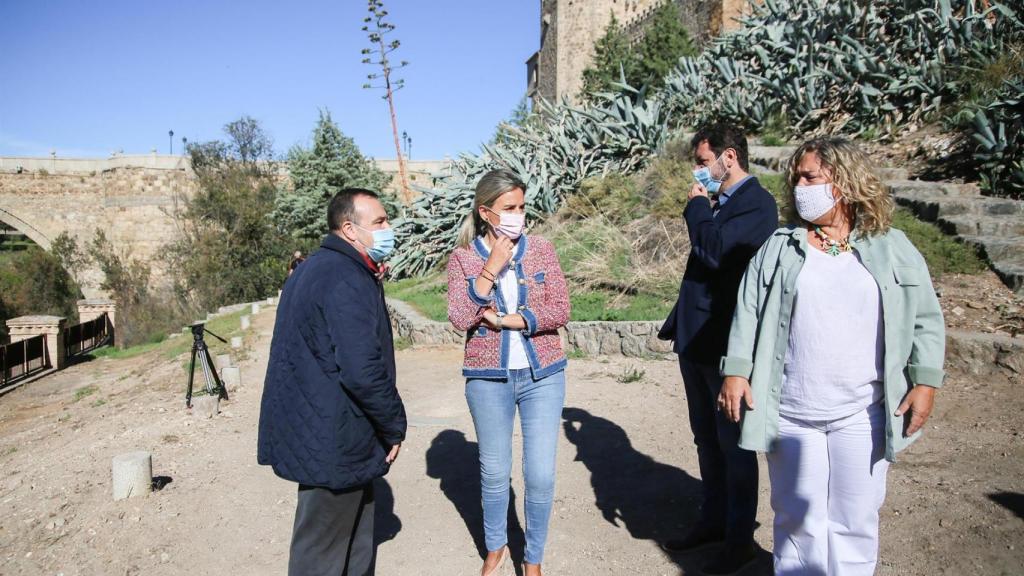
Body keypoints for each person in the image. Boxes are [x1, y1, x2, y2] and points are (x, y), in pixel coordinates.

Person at [718, 138, 945, 575]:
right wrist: (736, 372)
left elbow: (926, 319)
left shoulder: (892, 246)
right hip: (792, 413)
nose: (800, 186)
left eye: (810, 177)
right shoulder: (782, 247)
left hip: (862, 413)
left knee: (855, 522)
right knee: (796, 521)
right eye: (797, 178)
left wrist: (926, 381)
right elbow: (748, 308)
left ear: (844, 181)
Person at [257, 188, 407, 576]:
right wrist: (393, 425)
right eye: (379, 222)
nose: (388, 228)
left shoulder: (321, 268)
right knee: (321, 555)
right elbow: (361, 368)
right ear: (349, 229)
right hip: (334, 437)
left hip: (328, 433)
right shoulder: (344, 277)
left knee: (353, 547)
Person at [658, 123, 779, 574]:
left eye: (703, 160)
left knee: (734, 446)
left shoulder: (758, 206)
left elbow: (714, 253)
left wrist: (695, 208)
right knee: (706, 440)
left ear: (729, 158)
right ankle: (712, 522)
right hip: (696, 341)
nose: (698, 170)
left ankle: (738, 538)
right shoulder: (719, 203)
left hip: (725, 346)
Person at [446, 169, 570, 576]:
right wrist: (490, 269)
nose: (518, 214)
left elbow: (561, 309)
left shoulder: (542, 250)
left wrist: (511, 320)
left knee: (539, 474)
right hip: (487, 379)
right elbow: (460, 318)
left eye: (521, 206)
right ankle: (496, 548)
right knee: (495, 472)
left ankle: (533, 557)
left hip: (543, 374)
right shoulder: (464, 257)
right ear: (486, 212)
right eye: (508, 208)